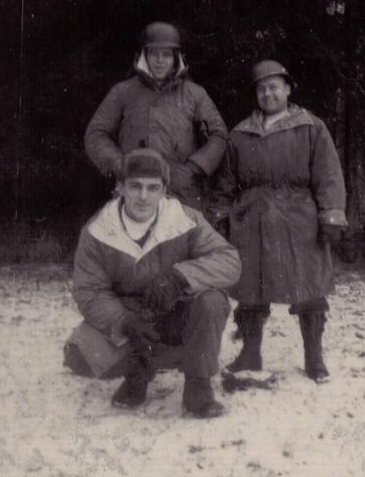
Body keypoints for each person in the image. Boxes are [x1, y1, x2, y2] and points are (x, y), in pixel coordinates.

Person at [63, 148, 241, 418]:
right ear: (120, 187)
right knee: (80, 355)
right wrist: (124, 321)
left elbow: (229, 260)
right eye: (135, 186)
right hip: (131, 317)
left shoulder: (186, 219)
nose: (144, 197)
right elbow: (89, 291)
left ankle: (198, 386)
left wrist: (180, 278)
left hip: (177, 311)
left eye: (152, 188)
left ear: (164, 190)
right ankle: (137, 374)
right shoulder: (98, 230)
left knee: (211, 300)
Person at [209, 60, 347, 383]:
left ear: (287, 89)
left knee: (309, 287)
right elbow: (226, 183)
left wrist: (330, 214)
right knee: (250, 289)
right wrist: (220, 216)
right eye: (261, 88)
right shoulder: (240, 134)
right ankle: (250, 353)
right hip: (251, 220)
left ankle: (314, 357)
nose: (268, 93)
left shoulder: (311, 127)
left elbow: (328, 175)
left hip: (299, 219)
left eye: (274, 87)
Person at [85, 21, 228, 210]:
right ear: (144, 56)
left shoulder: (195, 94)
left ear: (176, 58)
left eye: (166, 54)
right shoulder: (123, 91)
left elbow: (219, 134)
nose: (160, 60)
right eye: (154, 53)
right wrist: (119, 164)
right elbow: (96, 133)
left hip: (182, 191)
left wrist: (194, 168)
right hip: (134, 189)